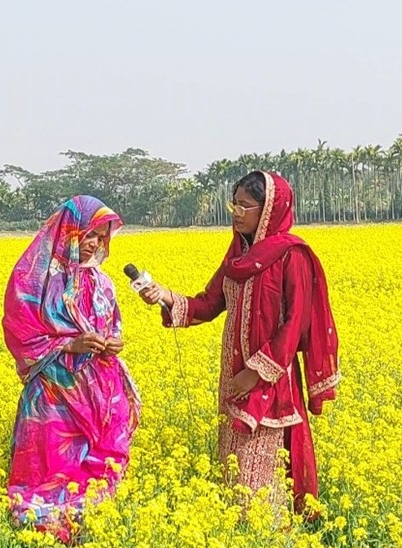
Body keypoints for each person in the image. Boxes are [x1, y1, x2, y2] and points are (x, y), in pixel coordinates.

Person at [139, 170, 339, 516]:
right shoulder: (237, 257)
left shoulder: (292, 257)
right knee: (233, 473)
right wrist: (165, 296)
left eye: (245, 205)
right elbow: (209, 303)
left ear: (270, 210)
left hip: (269, 385)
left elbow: (295, 325)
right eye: (235, 204)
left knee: (260, 480)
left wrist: (256, 372)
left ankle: (271, 533)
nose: (236, 212)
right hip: (233, 377)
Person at [2, 195, 142, 543]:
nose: (95, 242)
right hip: (53, 392)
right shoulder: (34, 280)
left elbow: (114, 327)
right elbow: (20, 331)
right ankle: (48, 525)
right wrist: (69, 344)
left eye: (101, 235)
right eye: (89, 233)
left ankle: (87, 521)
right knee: (52, 471)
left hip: (100, 390)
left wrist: (112, 343)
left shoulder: (102, 281)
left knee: (96, 467)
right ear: (69, 230)